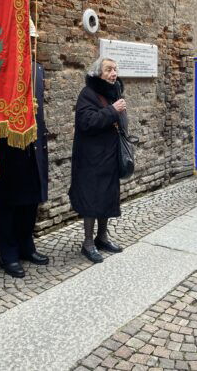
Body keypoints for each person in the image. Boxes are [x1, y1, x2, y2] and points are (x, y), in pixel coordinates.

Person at [0, 60, 49, 278]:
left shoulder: (37, 67)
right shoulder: (0, 66)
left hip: (34, 145)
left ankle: (27, 247)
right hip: (9, 146)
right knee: (8, 203)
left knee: (30, 202)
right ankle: (8, 255)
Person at [69, 57, 126, 263]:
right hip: (91, 158)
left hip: (109, 156)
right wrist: (113, 111)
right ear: (98, 73)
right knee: (92, 198)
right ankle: (87, 243)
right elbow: (87, 122)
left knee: (108, 196)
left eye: (115, 69)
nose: (113, 73)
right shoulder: (88, 93)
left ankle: (102, 237)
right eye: (109, 69)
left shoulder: (113, 93)